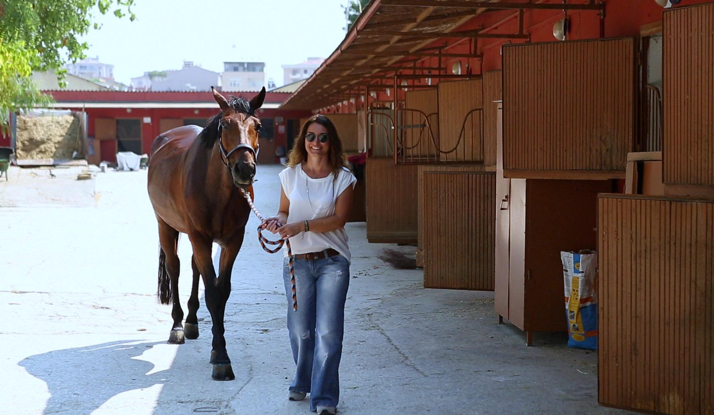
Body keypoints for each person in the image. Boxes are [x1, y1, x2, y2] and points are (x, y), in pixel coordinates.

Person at [263, 114, 356, 415]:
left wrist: (301, 226)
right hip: (296, 261)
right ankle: (302, 380)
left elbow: (338, 220)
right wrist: (276, 222)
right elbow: (283, 211)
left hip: (332, 261)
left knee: (328, 332)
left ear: (331, 143)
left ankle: (325, 398)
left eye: (323, 137)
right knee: (300, 330)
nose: (316, 142)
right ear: (303, 141)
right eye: (311, 136)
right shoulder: (289, 176)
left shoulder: (343, 178)